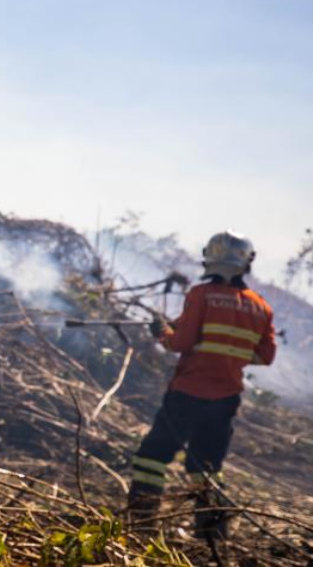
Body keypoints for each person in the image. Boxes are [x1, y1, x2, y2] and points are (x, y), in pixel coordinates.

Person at [127, 231, 277, 541]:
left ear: (209, 258)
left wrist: (161, 334)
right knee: (205, 468)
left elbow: (181, 342)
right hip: (226, 399)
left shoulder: (201, 295)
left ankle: (141, 527)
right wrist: (225, 354)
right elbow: (266, 356)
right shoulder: (260, 307)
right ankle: (212, 540)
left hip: (188, 393)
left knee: (151, 457)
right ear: (246, 263)